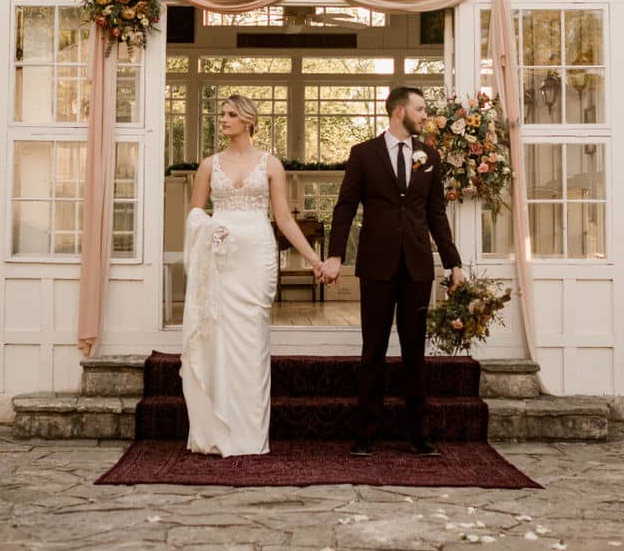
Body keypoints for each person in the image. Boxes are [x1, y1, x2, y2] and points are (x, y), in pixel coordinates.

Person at [321, 86, 464, 456]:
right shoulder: (363, 154)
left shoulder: (429, 156)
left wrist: (453, 262)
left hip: (417, 268)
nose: (425, 116)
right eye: (420, 109)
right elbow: (345, 207)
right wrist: (335, 256)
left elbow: (436, 215)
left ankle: (419, 434)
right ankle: (366, 434)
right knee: (374, 350)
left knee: (416, 352)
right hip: (377, 266)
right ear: (399, 112)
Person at [180, 93, 324, 456]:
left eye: (230, 114)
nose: (223, 120)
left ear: (247, 121)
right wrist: (209, 228)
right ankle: (218, 429)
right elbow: (195, 214)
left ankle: (250, 435)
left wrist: (313, 260)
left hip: (256, 259)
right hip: (221, 260)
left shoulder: (271, 164)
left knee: (252, 342)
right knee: (221, 341)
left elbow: (285, 219)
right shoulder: (209, 166)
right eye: (223, 114)